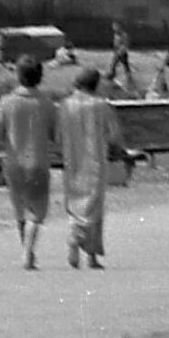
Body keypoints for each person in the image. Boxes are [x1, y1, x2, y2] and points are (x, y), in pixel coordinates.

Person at [58, 68, 123, 269]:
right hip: (96, 161)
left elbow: (58, 136)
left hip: (72, 160)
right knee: (94, 207)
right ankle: (89, 252)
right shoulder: (101, 105)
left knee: (74, 203)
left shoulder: (65, 105)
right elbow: (114, 135)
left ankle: (76, 239)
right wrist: (117, 149)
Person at [0, 57, 61, 267]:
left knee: (20, 211)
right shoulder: (46, 103)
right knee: (36, 213)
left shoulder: (6, 102)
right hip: (37, 161)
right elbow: (56, 134)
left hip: (13, 161)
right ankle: (28, 253)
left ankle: (26, 249)